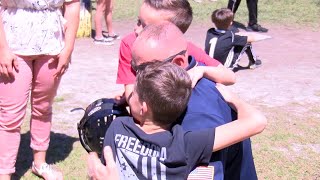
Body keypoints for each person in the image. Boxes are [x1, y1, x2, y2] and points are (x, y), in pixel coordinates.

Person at [88, 60, 267, 179]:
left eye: (133, 93)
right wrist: (232, 99)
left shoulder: (117, 127)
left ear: (143, 108)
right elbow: (257, 121)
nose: (128, 95)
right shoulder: (186, 144)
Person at [131, 22, 260, 179]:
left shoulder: (195, 115)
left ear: (178, 63)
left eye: (144, 70)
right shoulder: (186, 77)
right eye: (134, 68)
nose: (137, 78)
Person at [0, 0, 80, 179]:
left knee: (43, 107)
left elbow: (73, 4)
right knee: (10, 116)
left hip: (52, 46)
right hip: (13, 46)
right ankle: (4, 173)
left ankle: (40, 163)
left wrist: (68, 48)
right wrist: (2, 48)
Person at [116, 0, 236, 103]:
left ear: (173, 33)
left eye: (146, 27)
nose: (136, 30)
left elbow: (230, 77)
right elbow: (132, 98)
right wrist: (131, 94)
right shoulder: (130, 44)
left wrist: (202, 70)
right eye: (138, 22)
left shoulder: (185, 49)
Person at [205, 8, 270, 71]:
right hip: (224, 68)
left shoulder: (210, 32)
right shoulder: (231, 36)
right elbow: (251, 38)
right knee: (246, 42)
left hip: (208, 65)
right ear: (231, 23)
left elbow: (232, 34)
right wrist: (265, 37)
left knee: (233, 42)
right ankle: (254, 62)